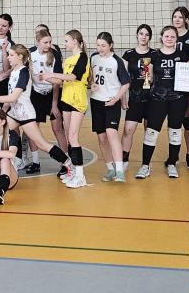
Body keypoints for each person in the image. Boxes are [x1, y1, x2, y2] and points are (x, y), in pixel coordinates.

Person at [0, 45, 71, 179]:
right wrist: (3, 111)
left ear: (20, 57)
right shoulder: (14, 71)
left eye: (11, 55)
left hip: (25, 114)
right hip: (14, 113)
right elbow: (10, 96)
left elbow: (13, 97)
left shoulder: (24, 72)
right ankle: (0, 165)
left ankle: (68, 162)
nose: (8, 58)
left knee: (41, 144)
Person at [139, 26, 189, 179]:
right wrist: (146, 75)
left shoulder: (182, 56)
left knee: (175, 131)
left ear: (176, 39)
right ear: (161, 37)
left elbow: (188, 76)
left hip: (178, 99)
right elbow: (147, 79)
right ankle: (145, 165)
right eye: (167, 36)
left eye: (172, 37)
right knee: (151, 132)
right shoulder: (153, 55)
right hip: (157, 99)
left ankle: (172, 163)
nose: (169, 39)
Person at [41, 29, 90, 188]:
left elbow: (73, 77)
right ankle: (74, 172)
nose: (65, 44)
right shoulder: (68, 60)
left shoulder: (82, 57)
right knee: (69, 138)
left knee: (74, 137)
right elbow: (62, 81)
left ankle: (81, 177)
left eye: (67, 41)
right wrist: (46, 77)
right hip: (66, 99)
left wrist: (52, 75)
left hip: (77, 100)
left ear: (75, 41)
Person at [89, 32, 131, 183]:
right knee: (102, 138)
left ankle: (119, 170)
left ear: (111, 45)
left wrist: (116, 99)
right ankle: (110, 168)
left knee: (111, 133)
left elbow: (126, 83)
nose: (100, 48)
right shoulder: (93, 57)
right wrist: (91, 84)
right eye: (98, 45)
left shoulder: (116, 61)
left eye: (103, 45)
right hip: (96, 101)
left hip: (111, 102)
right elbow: (90, 77)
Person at [29, 28, 65, 174]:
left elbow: (57, 83)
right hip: (35, 94)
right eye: (45, 42)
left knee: (57, 128)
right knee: (33, 129)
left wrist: (54, 105)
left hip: (51, 94)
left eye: (50, 42)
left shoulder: (54, 55)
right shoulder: (30, 54)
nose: (48, 45)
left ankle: (65, 162)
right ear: (38, 42)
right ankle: (35, 162)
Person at [121, 24, 152, 175]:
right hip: (134, 97)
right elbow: (122, 77)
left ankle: (146, 164)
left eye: (146, 34)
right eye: (141, 34)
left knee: (149, 131)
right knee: (128, 130)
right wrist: (123, 97)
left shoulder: (155, 54)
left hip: (151, 98)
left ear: (150, 37)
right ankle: (124, 161)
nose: (143, 37)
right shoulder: (128, 54)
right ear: (137, 35)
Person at [171, 7, 189, 169]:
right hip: (170, 83)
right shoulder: (169, 35)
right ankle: (173, 155)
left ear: (186, 19)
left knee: (188, 121)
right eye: (175, 17)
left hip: (186, 82)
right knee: (174, 122)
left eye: (180, 17)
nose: (177, 19)